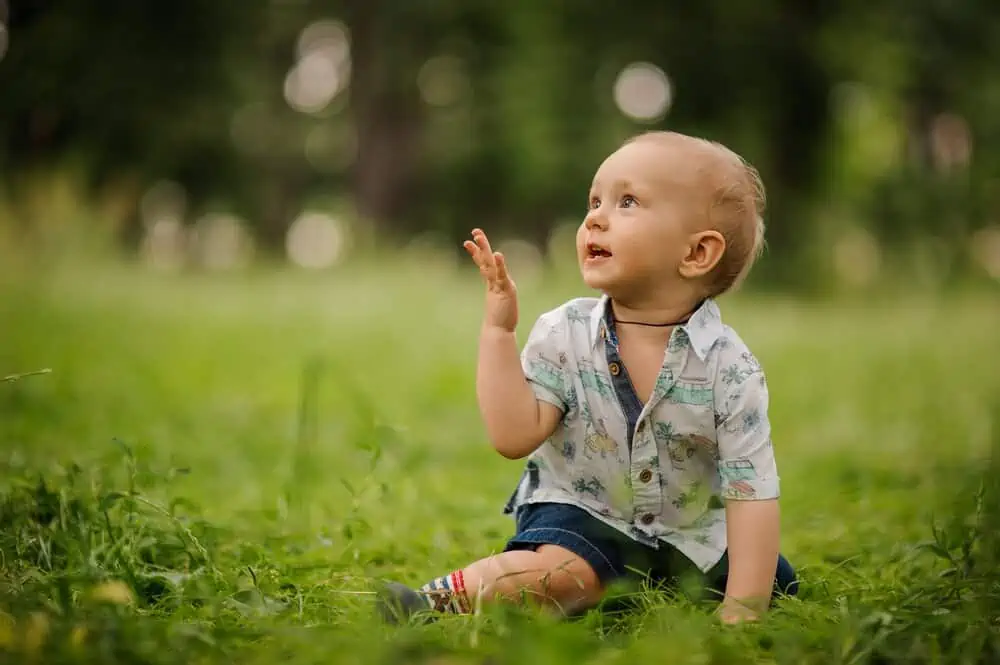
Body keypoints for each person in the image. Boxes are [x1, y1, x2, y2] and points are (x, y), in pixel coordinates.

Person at [377, 130, 797, 625]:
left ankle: (632, 590)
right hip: (583, 514)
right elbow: (514, 435)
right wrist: (498, 332)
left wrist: (743, 612)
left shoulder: (730, 369)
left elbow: (751, 497)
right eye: (594, 200)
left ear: (696, 254)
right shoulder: (564, 334)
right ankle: (435, 602)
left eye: (628, 201)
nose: (595, 217)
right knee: (558, 573)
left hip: (687, 532)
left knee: (771, 579)